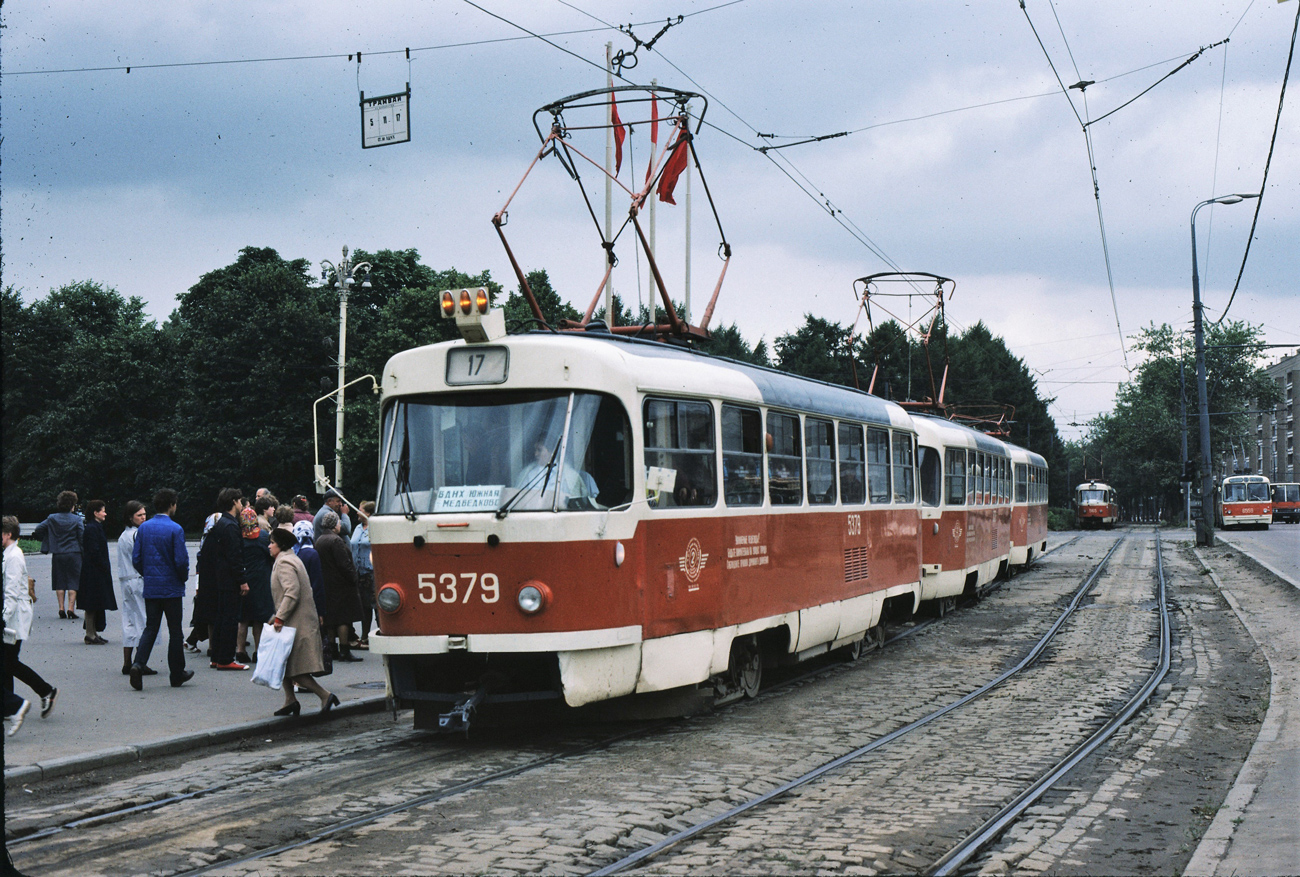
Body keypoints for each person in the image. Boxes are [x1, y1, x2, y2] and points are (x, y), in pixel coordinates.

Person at [267, 527, 338, 717]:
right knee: (283, 663)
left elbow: (292, 592)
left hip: (296, 623)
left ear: (280, 545)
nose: (269, 546)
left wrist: (280, 617)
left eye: (272, 542)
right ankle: (290, 700)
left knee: (296, 669)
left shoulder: (284, 562)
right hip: (296, 620)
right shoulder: (290, 558)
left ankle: (325, 695)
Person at [130, 489, 194, 689]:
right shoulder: (176, 529)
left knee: (151, 627)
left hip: (152, 586)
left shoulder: (144, 528)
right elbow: (181, 560)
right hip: (172, 587)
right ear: (172, 505)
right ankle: (177, 673)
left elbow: (137, 559)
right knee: (175, 631)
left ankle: (138, 664)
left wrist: (147, 573)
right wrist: (182, 578)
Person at [4, 516, 58, 735]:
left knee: (9, 662)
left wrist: (3, 617)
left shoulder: (14, 556)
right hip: (12, 617)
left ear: (7, 534)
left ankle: (44, 692)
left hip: (14, 619)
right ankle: (12, 704)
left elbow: (12, 592)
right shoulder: (9, 554)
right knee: (8, 662)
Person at [204, 488, 250, 670]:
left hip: (221, 578)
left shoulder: (221, 523)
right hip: (230, 579)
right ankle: (225, 659)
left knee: (221, 618)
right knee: (230, 618)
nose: (241, 504)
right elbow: (235, 556)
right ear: (233, 502)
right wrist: (242, 580)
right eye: (239, 501)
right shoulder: (230, 526)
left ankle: (217, 656)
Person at [316, 510, 362, 662]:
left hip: (326, 583)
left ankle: (332, 648)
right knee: (343, 618)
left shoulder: (320, 540)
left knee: (330, 618)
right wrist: (354, 578)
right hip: (340, 584)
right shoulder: (336, 541)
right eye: (338, 522)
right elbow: (344, 564)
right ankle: (344, 649)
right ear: (334, 524)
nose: (340, 524)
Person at [32, 490, 84, 620]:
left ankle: (61, 608)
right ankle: (71, 608)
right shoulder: (77, 519)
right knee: (73, 581)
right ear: (72, 505)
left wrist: (49, 538)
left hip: (58, 553)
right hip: (74, 553)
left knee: (60, 580)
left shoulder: (52, 518)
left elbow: (38, 529)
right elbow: (82, 536)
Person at [116, 501, 152, 676]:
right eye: (139, 515)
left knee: (129, 620)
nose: (144, 517)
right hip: (138, 579)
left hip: (126, 580)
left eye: (144, 514)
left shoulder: (124, 535)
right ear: (131, 517)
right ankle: (140, 662)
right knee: (143, 620)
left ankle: (127, 661)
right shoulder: (138, 534)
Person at [236, 506, 274, 664]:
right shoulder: (263, 537)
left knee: (243, 618)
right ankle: (258, 651)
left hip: (244, 580)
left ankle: (240, 650)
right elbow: (270, 555)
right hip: (261, 580)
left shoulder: (239, 538)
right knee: (259, 619)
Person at [77, 500, 118, 645]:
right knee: (92, 602)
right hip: (93, 571)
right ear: (96, 513)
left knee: (95, 601)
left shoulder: (94, 527)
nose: (105, 513)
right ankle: (90, 634)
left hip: (94, 569)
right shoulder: (92, 528)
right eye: (103, 510)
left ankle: (93, 632)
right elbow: (94, 551)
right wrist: (103, 565)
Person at [185, 508, 222, 655]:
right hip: (209, 581)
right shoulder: (214, 539)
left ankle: (193, 641)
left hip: (205, 580)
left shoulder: (205, 538)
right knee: (209, 615)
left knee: (206, 614)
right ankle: (194, 641)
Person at [350, 501, 376, 648]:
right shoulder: (358, 528)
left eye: (359, 510)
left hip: (372, 572)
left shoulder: (374, 528)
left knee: (376, 606)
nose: (357, 513)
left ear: (368, 513)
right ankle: (365, 636)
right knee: (364, 607)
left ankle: (382, 633)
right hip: (359, 572)